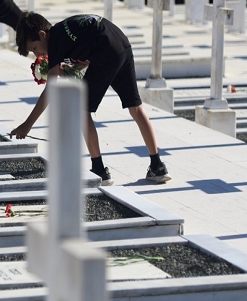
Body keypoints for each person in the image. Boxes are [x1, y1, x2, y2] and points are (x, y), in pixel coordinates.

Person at [10, 11, 171, 185]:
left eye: (34, 48)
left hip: (106, 52)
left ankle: (99, 170)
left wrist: (27, 125)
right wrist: (73, 69)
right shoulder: (64, 29)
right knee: (135, 106)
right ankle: (157, 165)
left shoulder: (55, 39)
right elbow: (88, 52)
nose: (38, 55)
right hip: (122, 46)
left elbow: (51, 89)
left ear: (42, 35)